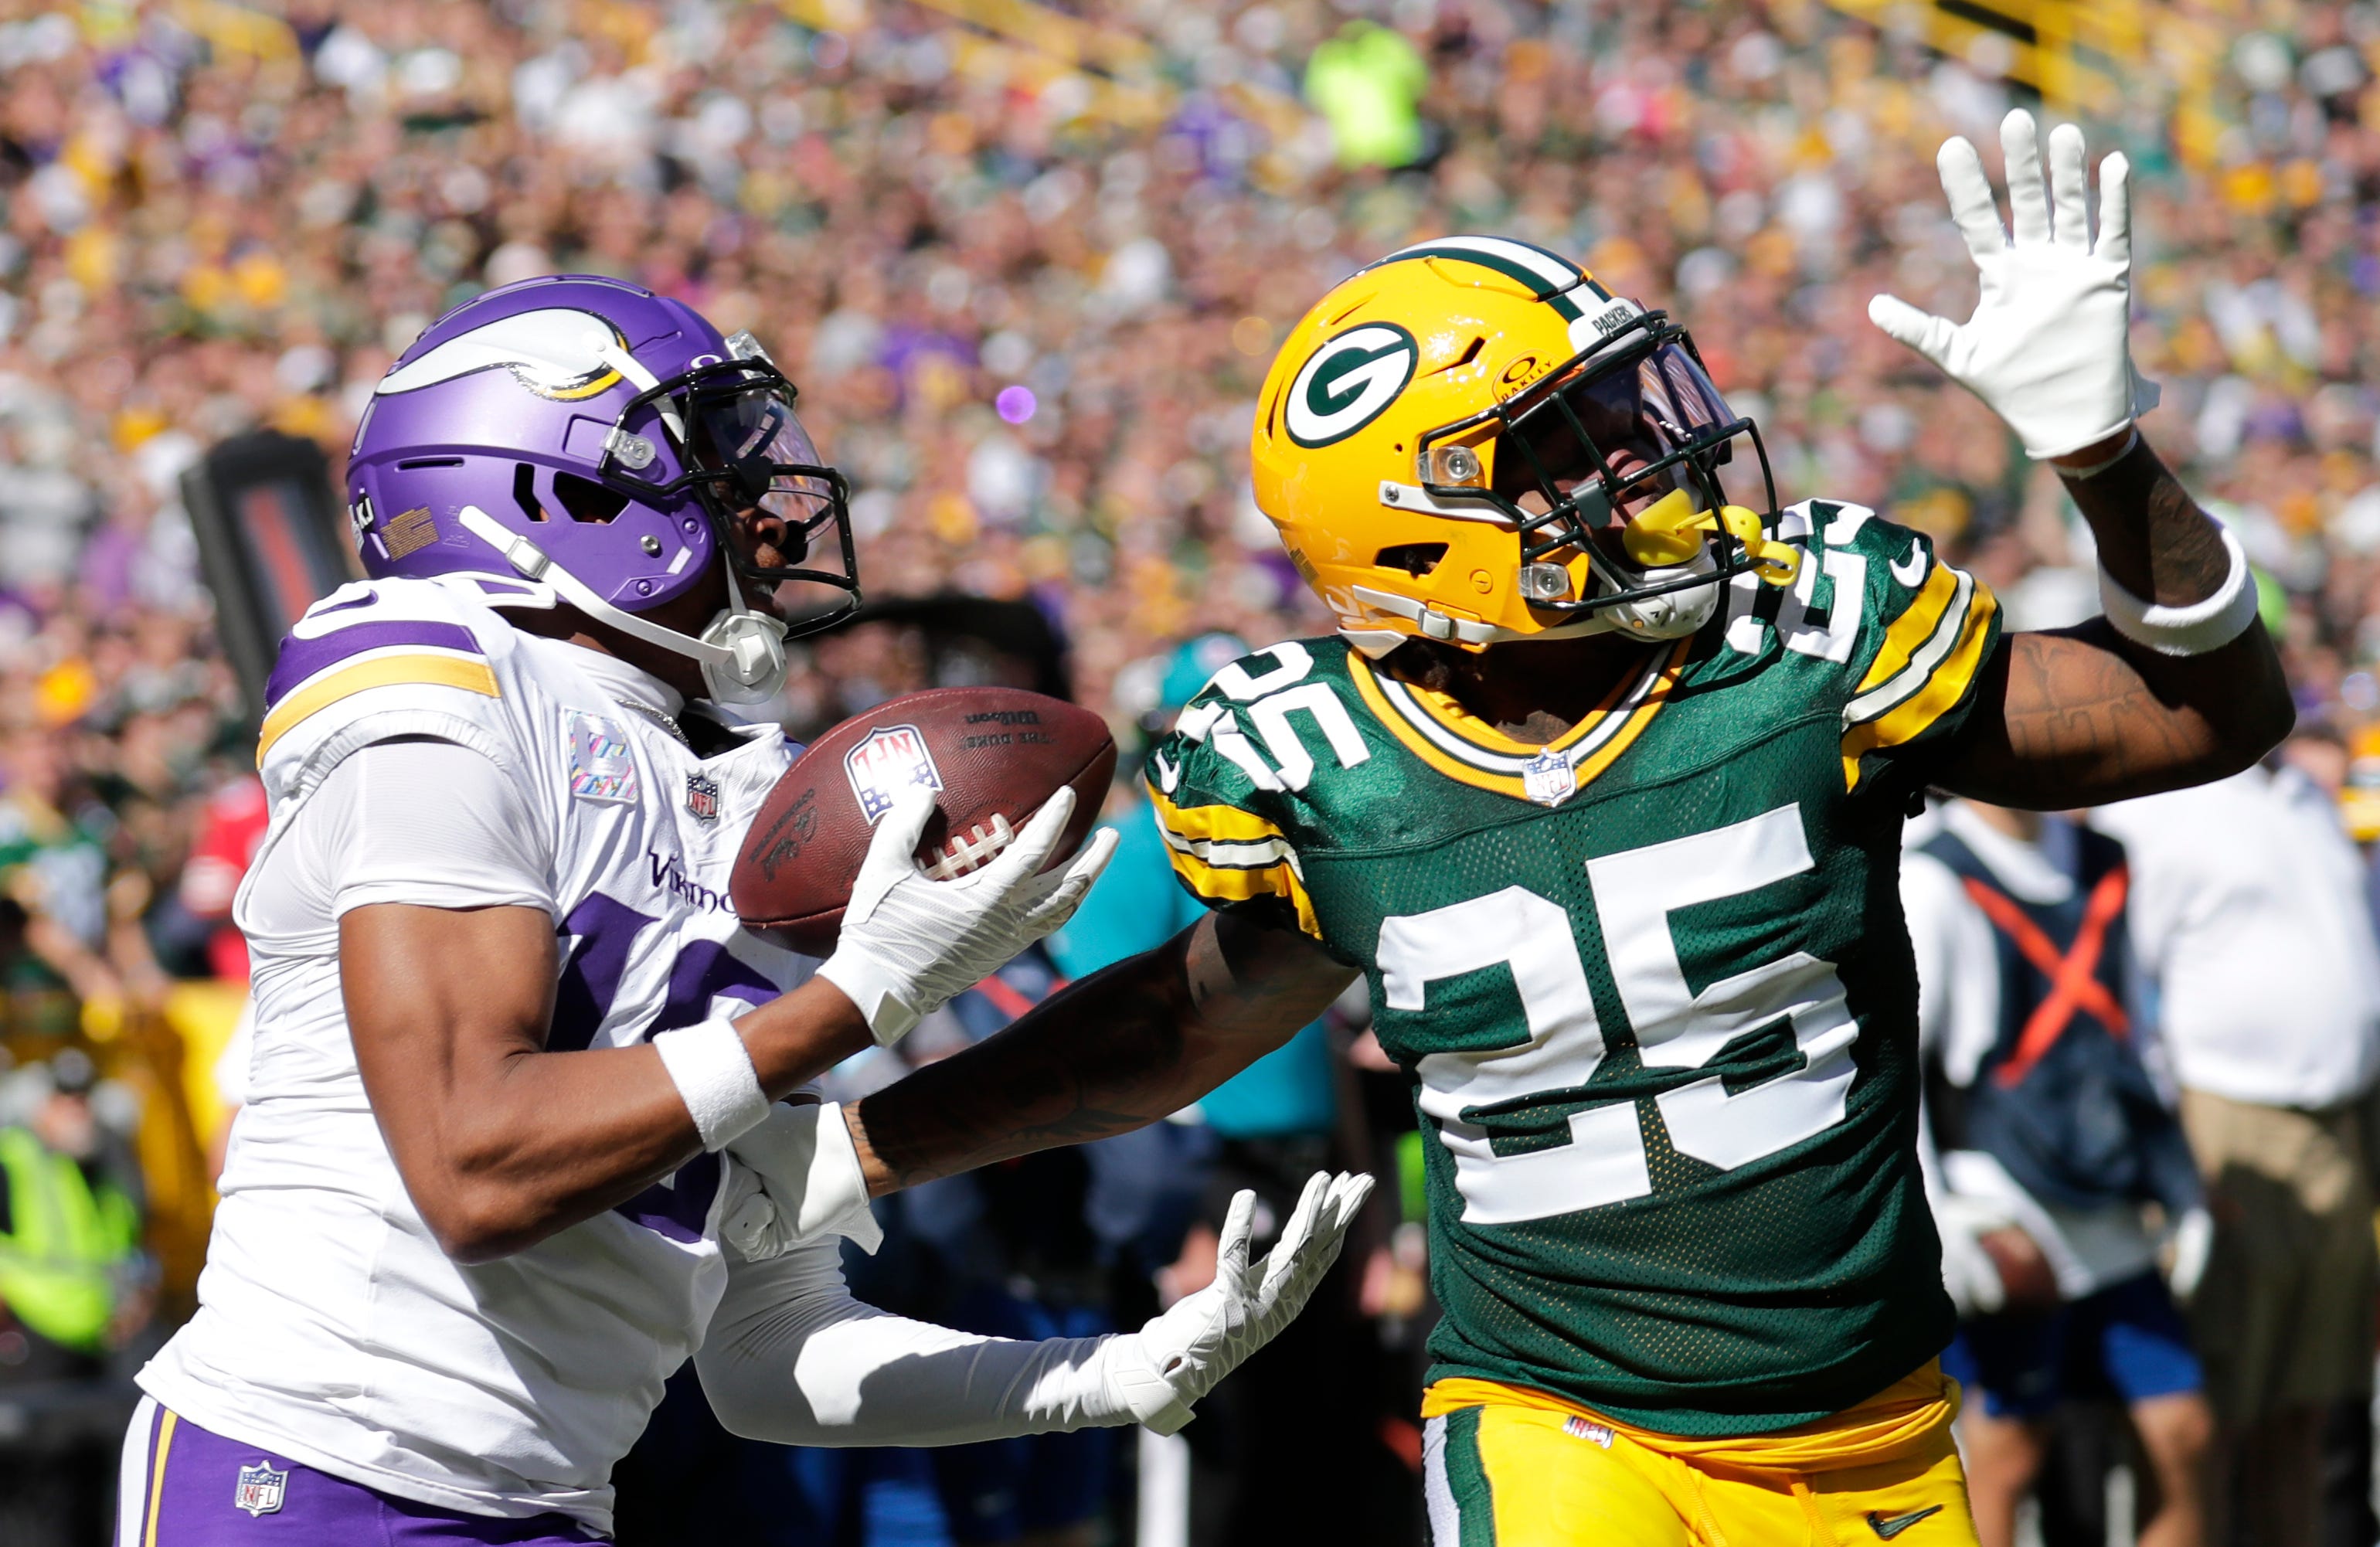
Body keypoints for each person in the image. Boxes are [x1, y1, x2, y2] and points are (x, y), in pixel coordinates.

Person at [808, 112, 2293, 1546]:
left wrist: (2107, 456)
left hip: (1877, 1424)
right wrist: (854, 1150)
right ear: (1415, 525)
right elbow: (1160, 1034)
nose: (1643, 464)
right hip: (1556, 1419)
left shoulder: (1797, 646)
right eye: (1567, 444)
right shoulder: (1324, 764)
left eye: (1624, 413)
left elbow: (2207, 716)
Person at [121, 276, 1368, 1544]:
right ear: (563, 491)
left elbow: (772, 1349)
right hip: (308, 1475)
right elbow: (473, 1164)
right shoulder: (446, 689)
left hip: (545, 1502)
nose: (771, 511)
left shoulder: (743, 792)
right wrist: (849, 1001)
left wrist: (1104, 1376)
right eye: (713, 466)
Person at [2092, 734, 2380, 1546]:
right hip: (2222, 1128)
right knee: (2203, 1425)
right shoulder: (2153, 807)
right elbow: (2118, 993)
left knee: (2303, 1409)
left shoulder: (2299, 797)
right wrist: (2170, 1160)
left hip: (2335, 1128)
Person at [1903, 798, 2212, 1547]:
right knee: (2004, 1451)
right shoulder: (1932, 873)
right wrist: (1935, 1214)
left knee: (2181, 1431)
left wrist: (2179, 1187)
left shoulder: (2099, 858)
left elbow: (2132, 1041)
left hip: (2107, 1201)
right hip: (2005, 1208)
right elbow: (1900, 1064)